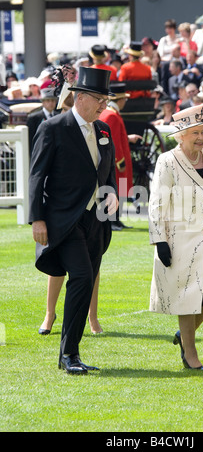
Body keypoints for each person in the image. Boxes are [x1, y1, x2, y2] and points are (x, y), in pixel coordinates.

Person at [28, 67, 119, 374]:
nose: (103, 105)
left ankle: (71, 354)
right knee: (80, 277)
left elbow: (108, 172)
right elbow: (37, 175)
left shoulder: (103, 130)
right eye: (99, 99)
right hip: (63, 221)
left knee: (86, 279)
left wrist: (113, 194)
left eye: (106, 100)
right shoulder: (54, 127)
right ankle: (68, 355)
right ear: (80, 98)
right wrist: (37, 220)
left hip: (95, 220)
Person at [148, 104, 203, 370]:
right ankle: (190, 355)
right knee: (187, 299)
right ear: (181, 135)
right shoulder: (167, 161)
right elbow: (157, 202)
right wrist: (159, 240)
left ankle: (184, 336)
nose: (201, 137)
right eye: (195, 132)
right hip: (179, 239)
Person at [100, 82, 141, 230]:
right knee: (116, 190)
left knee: (117, 190)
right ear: (120, 100)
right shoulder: (112, 115)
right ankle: (112, 221)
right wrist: (120, 161)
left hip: (113, 159)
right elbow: (114, 141)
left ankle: (116, 220)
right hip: (117, 161)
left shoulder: (110, 113)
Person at [27, 88, 58, 157]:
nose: (50, 103)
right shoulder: (33, 118)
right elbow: (30, 138)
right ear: (43, 103)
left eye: (53, 100)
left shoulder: (58, 116)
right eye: (48, 101)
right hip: (40, 152)